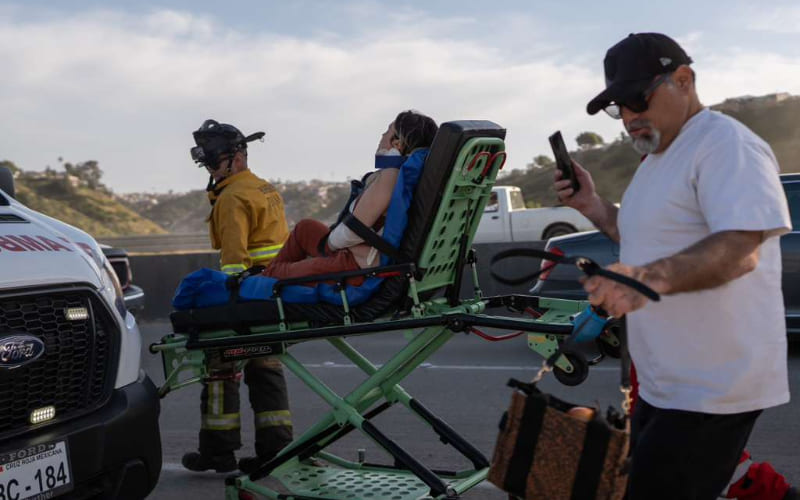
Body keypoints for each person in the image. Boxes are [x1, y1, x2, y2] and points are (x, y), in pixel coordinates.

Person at [554, 33, 795, 500]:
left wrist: (643, 279)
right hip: (665, 383)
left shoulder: (726, 146)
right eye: (617, 107)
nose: (627, 117)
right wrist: (594, 206)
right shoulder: (656, 160)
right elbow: (642, 237)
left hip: (712, 387)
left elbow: (740, 248)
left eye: (636, 99)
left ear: (683, 80)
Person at [181, 119, 293, 473]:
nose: (212, 170)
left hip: (249, 296)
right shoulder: (264, 188)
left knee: (220, 365)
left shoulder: (231, 198)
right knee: (267, 367)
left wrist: (224, 307)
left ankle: (218, 451)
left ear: (236, 158)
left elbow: (233, 265)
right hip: (273, 293)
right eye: (208, 164)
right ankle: (276, 450)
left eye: (215, 162)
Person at [261, 110, 438, 283]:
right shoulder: (408, 175)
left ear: (397, 144)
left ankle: (261, 287)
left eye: (387, 131)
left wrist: (328, 246)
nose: (382, 135)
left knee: (274, 273)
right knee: (305, 228)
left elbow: (350, 233)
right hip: (355, 253)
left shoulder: (390, 177)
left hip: (355, 265)